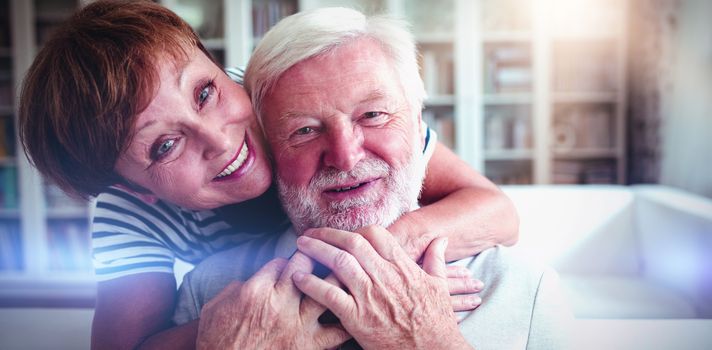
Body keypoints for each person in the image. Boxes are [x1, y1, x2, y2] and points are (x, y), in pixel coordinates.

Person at [17, 1, 519, 349]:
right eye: (166, 145)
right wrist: (238, 330)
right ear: (132, 188)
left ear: (216, 66)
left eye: (205, 92)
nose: (220, 139)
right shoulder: (127, 214)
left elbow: (497, 212)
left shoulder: (291, 98)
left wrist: (376, 258)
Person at [173, 6, 571, 349]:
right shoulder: (207, 295)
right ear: (273, 152)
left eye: (373, 115)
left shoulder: (525, 289)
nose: (345, 158)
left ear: (419, 128)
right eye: (305, 131)